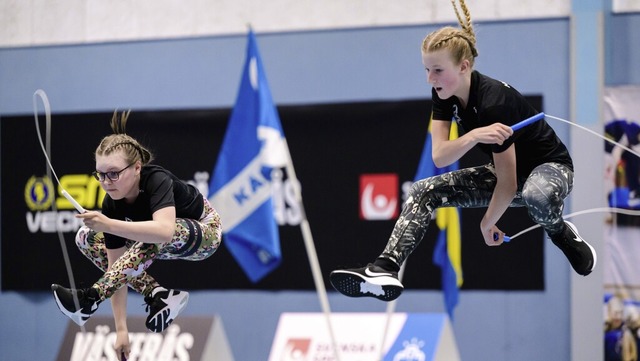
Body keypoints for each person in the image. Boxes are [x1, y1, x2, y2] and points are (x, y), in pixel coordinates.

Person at [329, 0, 596, 302]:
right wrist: (473, 136)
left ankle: (560, 232)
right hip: (509, 174)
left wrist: (487, 223)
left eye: (438, 70)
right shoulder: (443, 94)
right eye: (427, 70)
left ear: (464, 67)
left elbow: (508, 185)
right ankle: (385, 267)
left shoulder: (495, 103)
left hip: (551, 169)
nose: (430, 79)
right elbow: (440, 155)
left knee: (537, 194)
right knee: (423, 190)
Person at [51, 110, 222, 358]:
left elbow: (164, 231)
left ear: (137, 167)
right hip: (159, 240)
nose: (106, 182)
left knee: (160, 231)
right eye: (100, 174)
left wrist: (109, 225)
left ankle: (90, 298)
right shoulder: (112, 203)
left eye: (114, 173)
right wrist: (121, 330)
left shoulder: (156, 180)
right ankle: (158, 295)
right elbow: (115, 267)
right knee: (85, 237)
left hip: (204, 233)